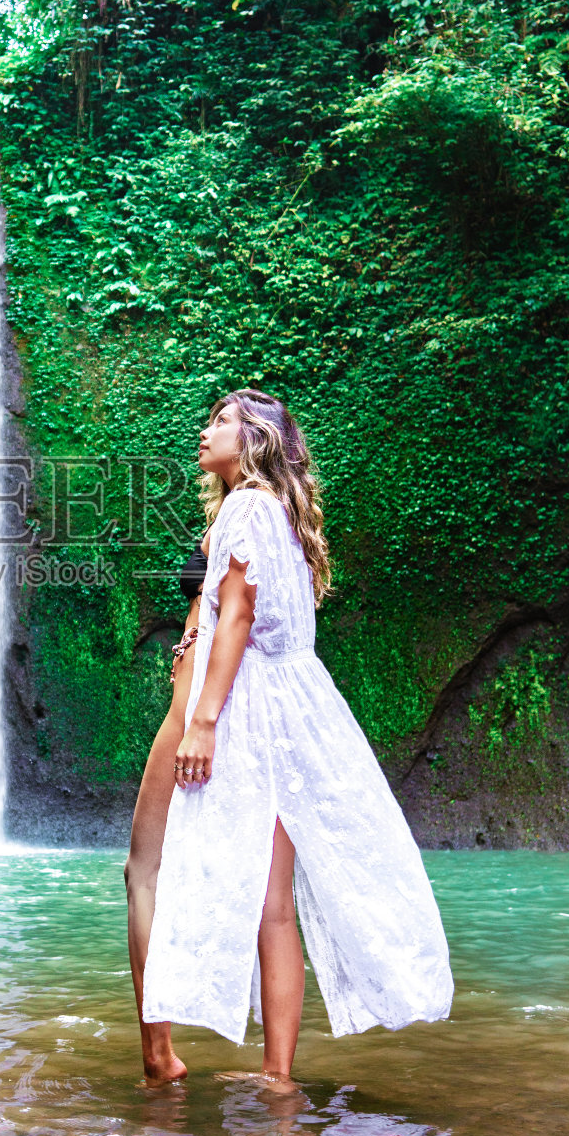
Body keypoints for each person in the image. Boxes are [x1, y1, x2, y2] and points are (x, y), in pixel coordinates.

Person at [125, 388, 453, 1091]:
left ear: (256, 443)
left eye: (221, 421)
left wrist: (202, 723)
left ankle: (159, 1058)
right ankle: (276, 1079)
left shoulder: (247, 507)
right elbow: (233, 615)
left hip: (215, 714)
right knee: (271, 903)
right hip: (270, 717)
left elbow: (238, 617)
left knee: (146, 873)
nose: (205, 429)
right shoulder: (273, 514)